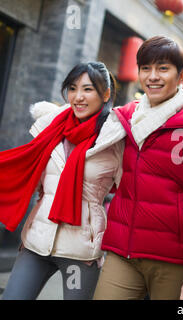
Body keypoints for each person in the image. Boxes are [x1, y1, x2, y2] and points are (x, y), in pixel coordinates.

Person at [93, 35, 183, 300]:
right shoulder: (125, 119)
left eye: (163, 68)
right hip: (122, 252)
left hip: (173, 260)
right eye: (146, 68)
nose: (153, 76)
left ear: (181, 75)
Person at [0, 62, 124, 300]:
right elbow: (25, 170)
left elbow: (132, 192)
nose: (78, 97)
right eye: (72, 88)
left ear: (105, 94)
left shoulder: (114, 140)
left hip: (81, 251)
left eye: (88, 89)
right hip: (37, 241)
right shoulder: (52, 129)